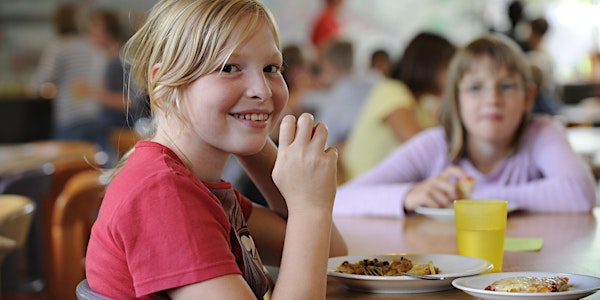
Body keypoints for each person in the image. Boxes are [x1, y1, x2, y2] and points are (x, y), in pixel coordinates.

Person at [85, 0, 347, 299]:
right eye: (229, 68)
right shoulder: (162, 193)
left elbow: (330, 255)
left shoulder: (199, 188)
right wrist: (309, 206)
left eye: (271, 68)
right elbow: (321, 242)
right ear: (164, 85)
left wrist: (251, 138)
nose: (262, 90)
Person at [332, 34, 597, 217]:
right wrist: (409, 194)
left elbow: (581, 194)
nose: (492, 100)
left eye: (506, 86)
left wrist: (473, 195)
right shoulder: (434, 145)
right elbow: (339, 200)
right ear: (455, 99)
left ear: (528, 97)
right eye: (475, 88)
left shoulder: (541, 133)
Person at [341, 32, 456, 182]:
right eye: (450, 68)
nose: (454, 77)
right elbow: (423, 148)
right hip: (361, 188)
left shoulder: (422, 105)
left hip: (385, 189)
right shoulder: (392, 91)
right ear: (430, 66)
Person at [29, 3, 106, 141]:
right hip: (94, 114)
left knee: (65, 160)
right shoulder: (90, 45)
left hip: (70, 116)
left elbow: (40, 80)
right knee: (92, 161)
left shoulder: (59, 46)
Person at [84, 9, 149, 165]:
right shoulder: (117, 59)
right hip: (116, 131)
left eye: (95, 31)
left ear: (107, 33)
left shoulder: (120, 61)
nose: (90, 36)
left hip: (120, 132)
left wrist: (95, 93)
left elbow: (131, 101)